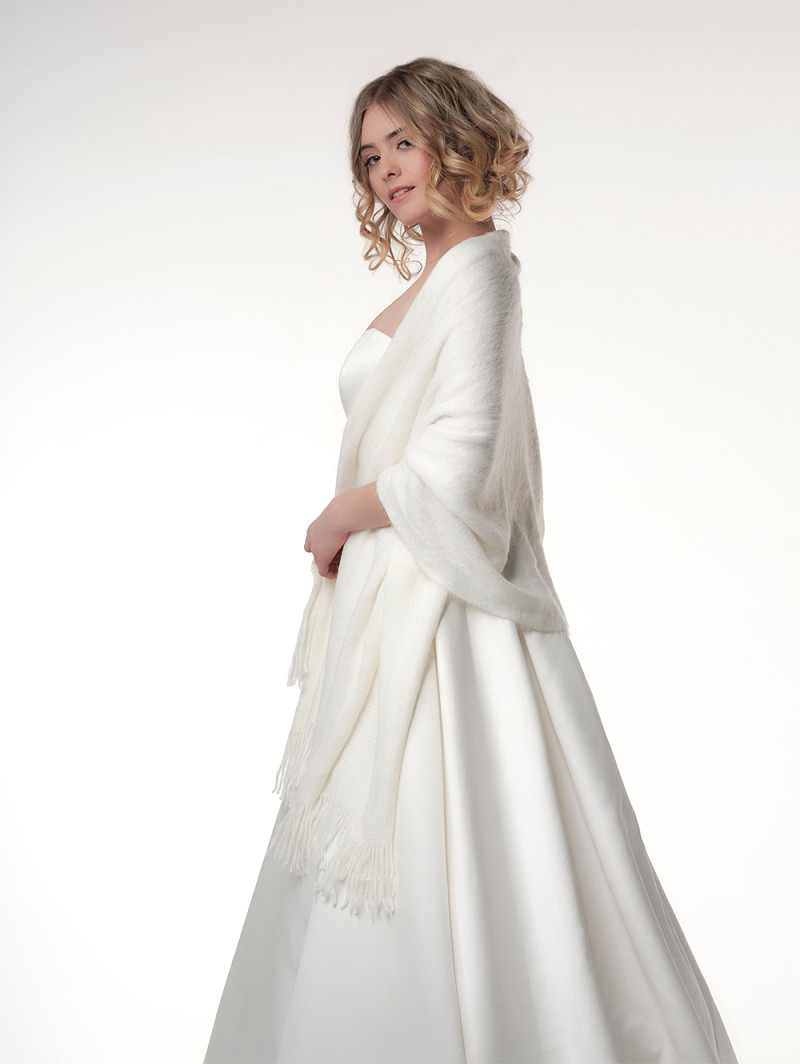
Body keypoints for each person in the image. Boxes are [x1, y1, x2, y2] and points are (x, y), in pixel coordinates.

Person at [204, 57, 738, 1064]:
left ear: (457, 138)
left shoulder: (481, 274)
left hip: (444, 618)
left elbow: (456, 461)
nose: (385, 170)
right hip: (390, 601)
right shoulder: (440, 282)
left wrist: (337, 516)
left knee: (444, 839)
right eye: (370, 156)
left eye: (403, 142)